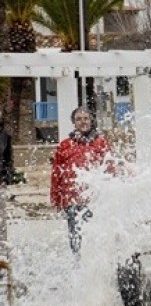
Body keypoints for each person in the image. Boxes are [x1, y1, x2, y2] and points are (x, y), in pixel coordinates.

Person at [50, 107, 114, 254]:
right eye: (79, 119)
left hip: (94, 199)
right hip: (71, 198)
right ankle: (78, 264)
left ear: (91, 120)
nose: (83, 122)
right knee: (75, 235)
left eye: (85, 118)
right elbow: (56, 173)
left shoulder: (101, 143)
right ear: (74, 123)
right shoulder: (65, 145)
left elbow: (110, 168)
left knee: (94, 233)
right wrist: (56, 198)